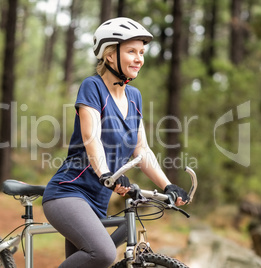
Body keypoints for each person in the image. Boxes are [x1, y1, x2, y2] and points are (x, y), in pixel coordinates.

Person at [42, 17, 189, 268]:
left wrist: (168, 186)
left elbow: (141, 150)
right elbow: (92, 138)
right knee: (104, 254)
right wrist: (107, 174)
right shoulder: (93, 87)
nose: (139, 58)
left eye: (141, 52)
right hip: (69, 193)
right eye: (131, 51)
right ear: (110, 55)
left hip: (99, 201)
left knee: (109, 247)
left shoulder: (134, 96)